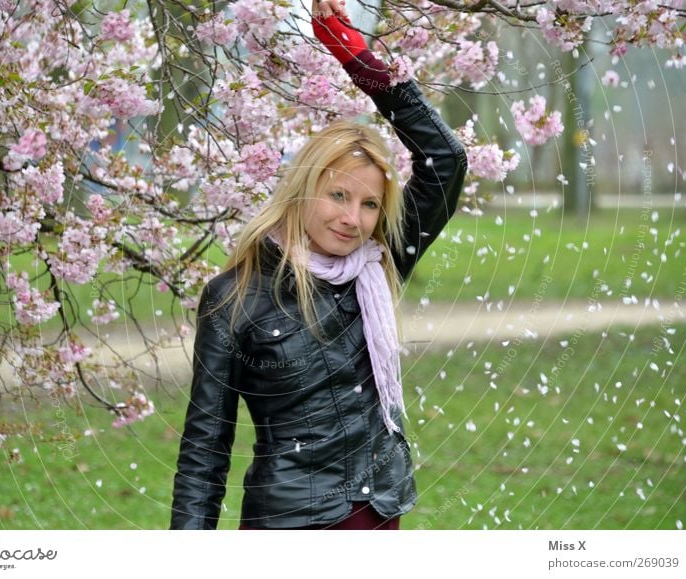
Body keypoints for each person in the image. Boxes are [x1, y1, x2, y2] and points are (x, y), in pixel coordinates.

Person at [170, 0, 467, 530]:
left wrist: (351, 51)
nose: (353, 219)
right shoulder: (236, 296)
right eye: (337, 196)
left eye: (370, 204)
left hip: (377, 516)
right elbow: (205, 451)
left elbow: (445, 159)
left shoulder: (378, 263)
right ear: (305, 189)